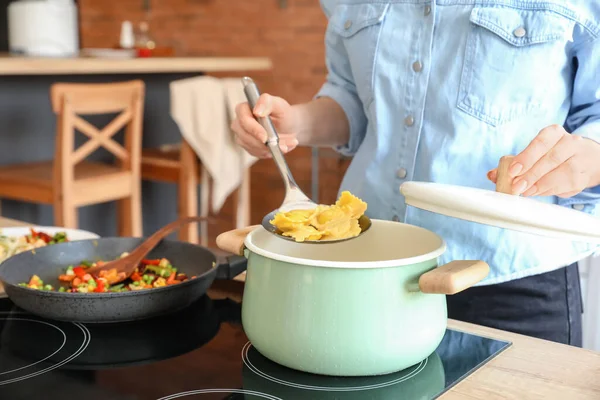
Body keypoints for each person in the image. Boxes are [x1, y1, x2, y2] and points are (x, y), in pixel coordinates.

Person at [231, 1, 600, 347]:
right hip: (368, 267)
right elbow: (353, 103)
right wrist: (294, 123)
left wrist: (588, 157)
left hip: (515, 278)